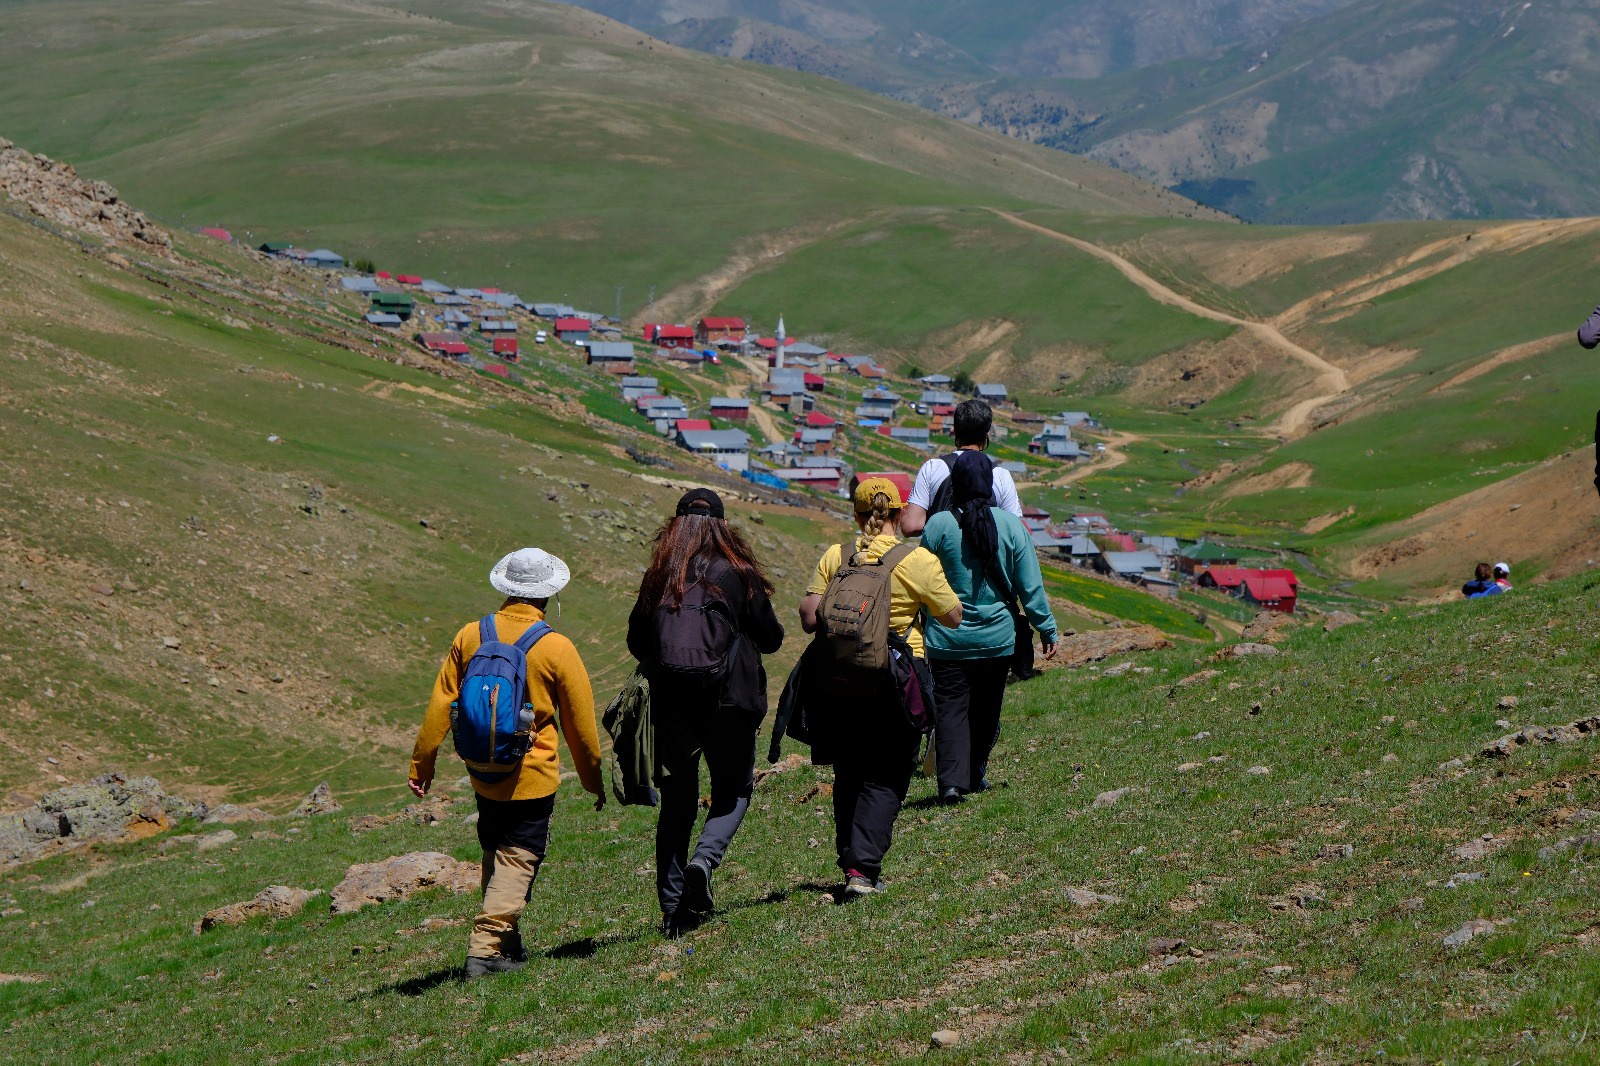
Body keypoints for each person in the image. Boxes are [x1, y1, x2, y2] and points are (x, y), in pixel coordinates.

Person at [408, 547, 605, 980]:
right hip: (530, 778)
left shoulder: (469, 635)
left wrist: (421, 765)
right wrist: (594, 780)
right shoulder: (556, 647)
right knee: (519, 858)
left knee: (494, 852)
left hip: (482, 771)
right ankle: (484, 950)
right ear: (549, 594)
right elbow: (581, 728)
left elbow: (441, 703)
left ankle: (506, 944)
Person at [626, 489, 784, 936]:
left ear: (675, 524)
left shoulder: (660, 573)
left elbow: (638, 641)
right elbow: (771, 638)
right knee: (733, 790)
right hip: (731, 702)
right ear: (722, 525)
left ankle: (673, 911)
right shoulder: (737, 571)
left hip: (673, 703)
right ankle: (704, 859)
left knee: (677, 802)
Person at [799, 477, 962, 896]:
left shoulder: (837, 555)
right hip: (897, 679)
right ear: (899, 512)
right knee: (888, 771)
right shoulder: (917, 560)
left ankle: (849, 859)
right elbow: (953, 616)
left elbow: (809, 617)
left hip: (838, 680)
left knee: (849, 767)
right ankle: (862, 869)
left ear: (856, 513)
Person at [921, 450, 1059, 803]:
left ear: (956, 485)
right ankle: (973, 773)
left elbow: (921, 580)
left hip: (946, 639)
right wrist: (1047, 629)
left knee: (951, 709)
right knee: (986, 711)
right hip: (997, 639)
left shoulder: (937, 525)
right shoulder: (1012, 526)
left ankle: (951, 783)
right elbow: (1030, 585)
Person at [900, 399, 1023, 536]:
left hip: (941, 555)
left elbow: (911, 526)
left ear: (955, 429)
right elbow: (1015, 532)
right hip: (985, 555)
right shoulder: (1001, 476)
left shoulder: (932, 468)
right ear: (987, 434)